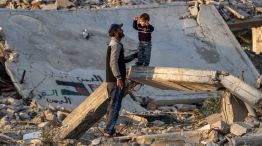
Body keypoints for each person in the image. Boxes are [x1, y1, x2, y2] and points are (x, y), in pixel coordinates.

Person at [104, 23, 136, 137]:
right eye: (120, 29)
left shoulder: (116, 44)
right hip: (115, 80)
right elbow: (113, 63)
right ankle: (109, 130)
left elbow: (120, 61)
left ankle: (109, 130)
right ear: (116, 32)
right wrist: (118, 78)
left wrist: (134, 55)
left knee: (112, 104)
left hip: (112, 80)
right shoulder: (115, 45)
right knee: (115, 105)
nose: (122, 30)